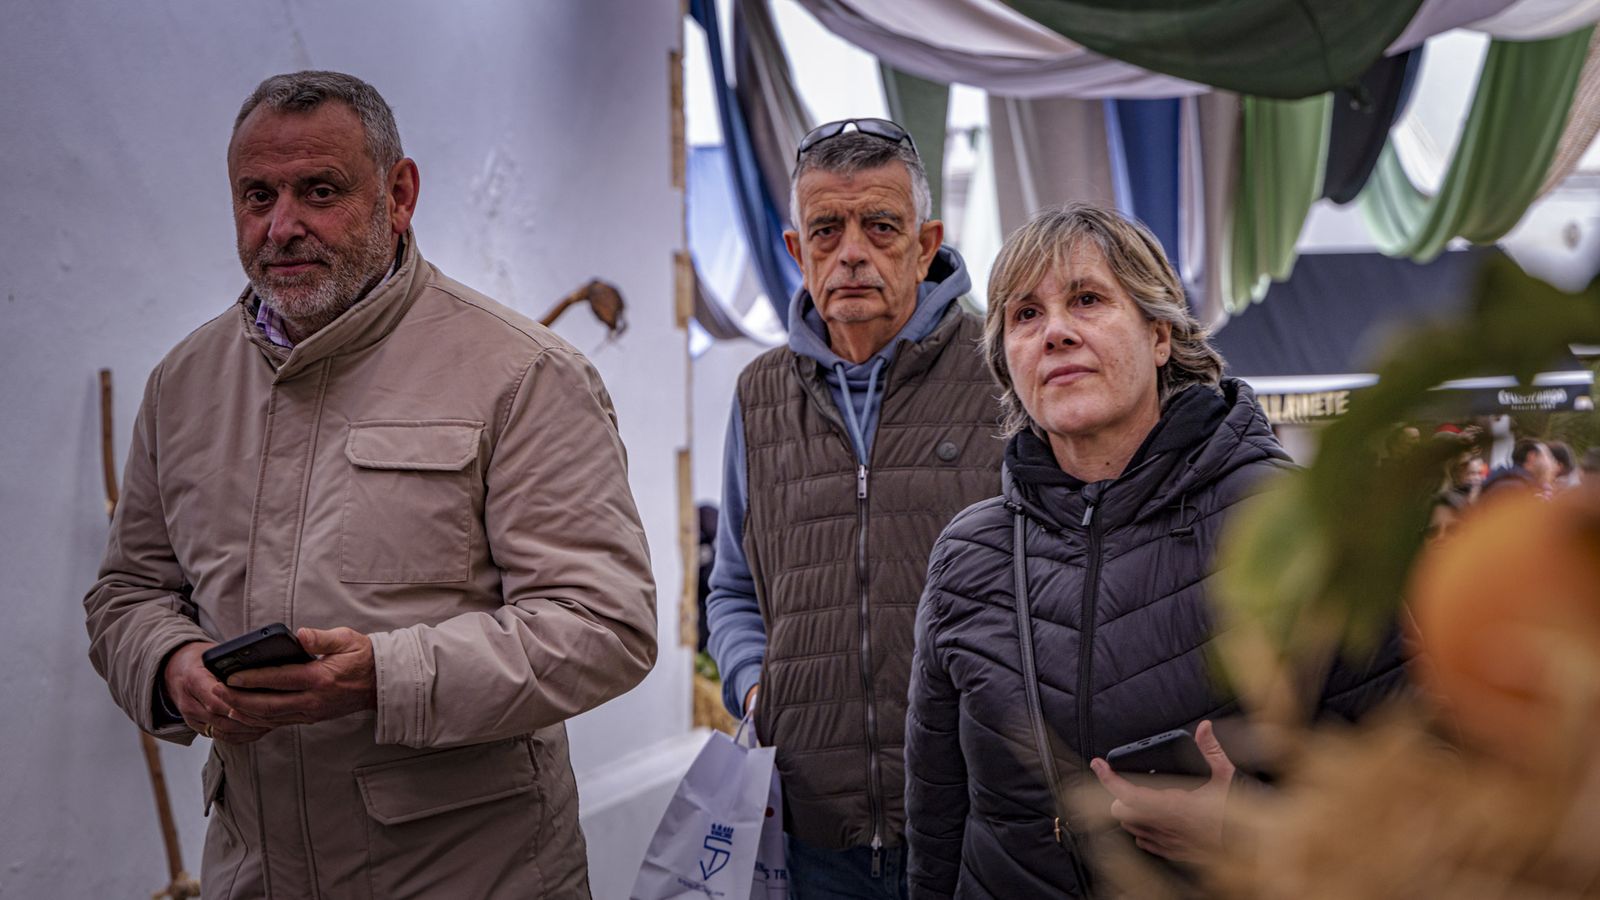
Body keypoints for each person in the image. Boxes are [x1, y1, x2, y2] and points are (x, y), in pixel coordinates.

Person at [83, 71, 656, 898]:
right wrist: (172, 664)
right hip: (255, 874)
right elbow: (126, 593)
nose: (282, 227)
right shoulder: (183, 386)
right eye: (256, 197)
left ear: (399, 194)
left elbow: (605, 624)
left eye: (319, 191)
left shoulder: (523, 374)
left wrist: (383, 676)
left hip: (473, 878)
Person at [903, 204, 1405, 897]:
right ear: (1006, 362)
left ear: (1160, 332)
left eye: (1087, 299)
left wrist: (1250, 826)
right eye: (1025, 315)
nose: (1056, 333)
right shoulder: (968, 556)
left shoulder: (1290, 525)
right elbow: (936, 818)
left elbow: (1429, 780)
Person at [705, 118, 1004, 896]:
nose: (853, 255)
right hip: (812, 830)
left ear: (926, 242)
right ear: (797, 251)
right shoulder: (758, 395)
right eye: (827, 231)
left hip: (974, 812)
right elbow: (735, 588)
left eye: (881, 227)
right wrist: (759, 689)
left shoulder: (1001, 375)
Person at [1482, 438, 1557, 499]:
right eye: (1549, 456)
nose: (1553, 463)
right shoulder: (1513, 488)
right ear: (1532, 457)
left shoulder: (1520, 484)